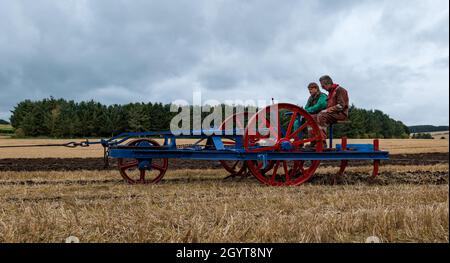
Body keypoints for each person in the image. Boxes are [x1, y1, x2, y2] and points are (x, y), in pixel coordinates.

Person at [315, 75, 349, 142]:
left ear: (328, 83)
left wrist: (327, 110)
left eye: (323, 86)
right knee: (312, 117)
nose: (322, 88)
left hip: (340, 114)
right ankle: (313, 142)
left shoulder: (339, 90)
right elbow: (328, 106)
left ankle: (322, 142)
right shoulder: (330, 92)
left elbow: (341, 106)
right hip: (332, 114)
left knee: (321, 116)